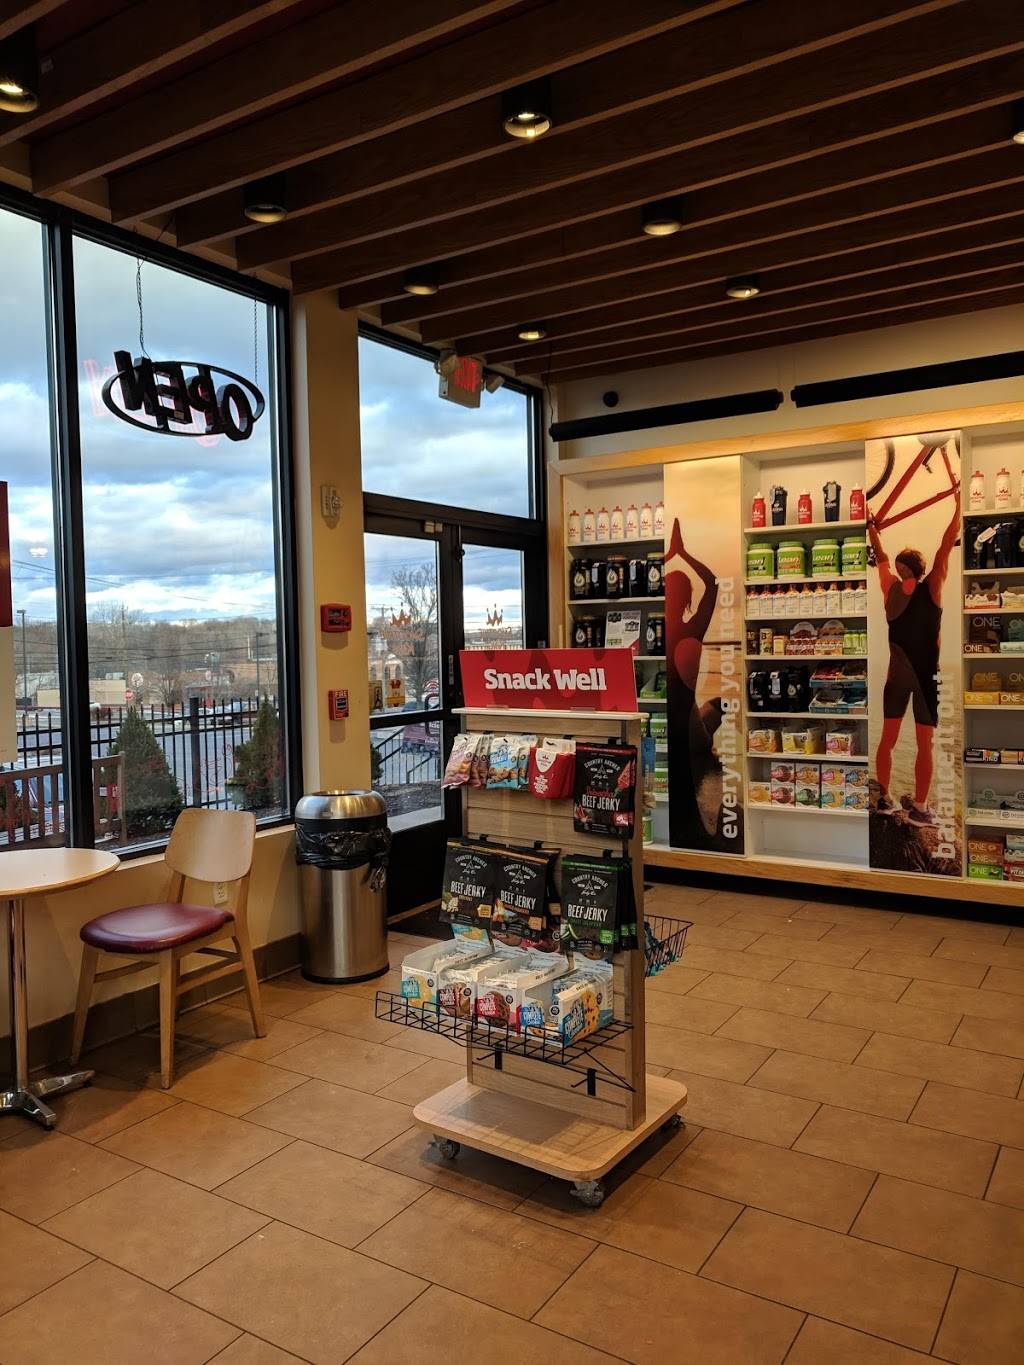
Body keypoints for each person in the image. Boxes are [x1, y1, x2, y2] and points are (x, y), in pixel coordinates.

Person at [867, 491, 959, 825]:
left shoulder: (889, 588)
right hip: (926, 678)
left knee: (887, 740)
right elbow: (945, 546)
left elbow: (880, 555)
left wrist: (872, 526)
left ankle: (885, 798)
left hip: (896, 678)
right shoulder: (932, 587)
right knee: (925, 745)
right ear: (920, 570)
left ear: (900, 569)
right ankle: (920, 806)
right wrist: (959, 508)